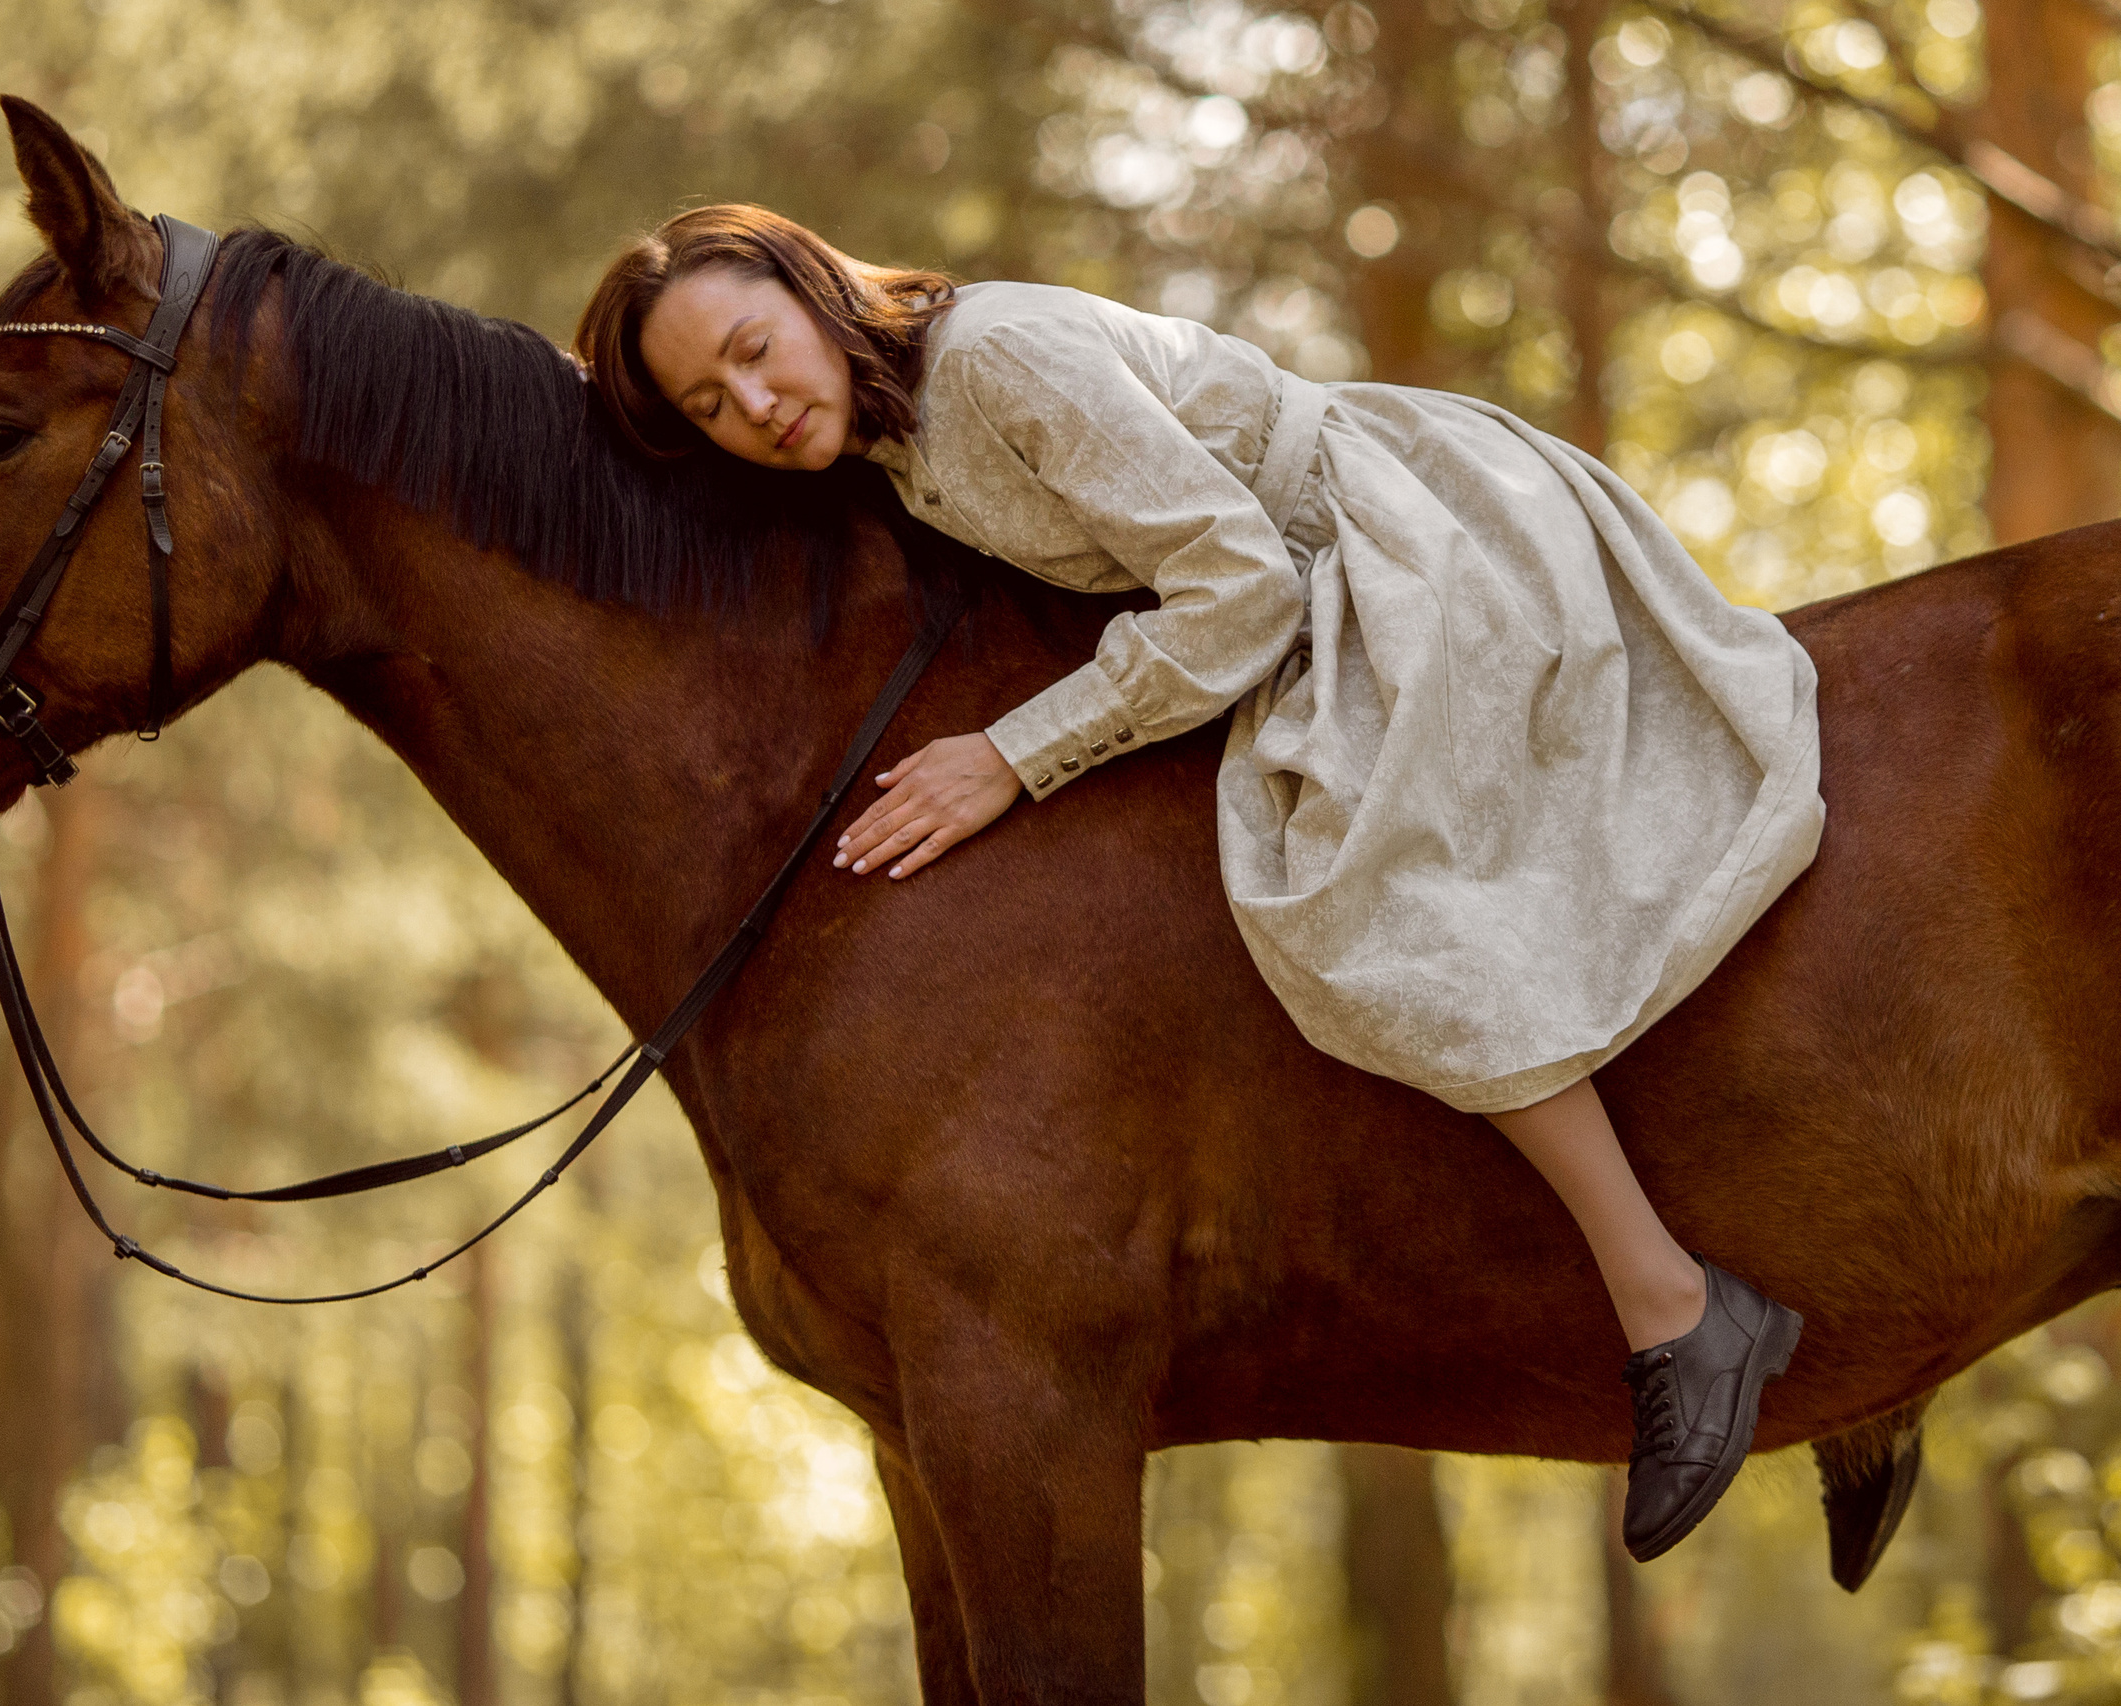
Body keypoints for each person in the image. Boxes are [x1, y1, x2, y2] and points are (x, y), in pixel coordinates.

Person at [572, 205, 1820, 1561]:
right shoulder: (896, 440)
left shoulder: (993, 363)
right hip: (1302, 567)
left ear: (812, 289)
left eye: (757, 349)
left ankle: (1676, 1305)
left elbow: (1239, 591)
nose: (755, 402)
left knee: (1364, 908)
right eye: (709, 400)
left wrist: (1013, 753)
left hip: (1381, 545)